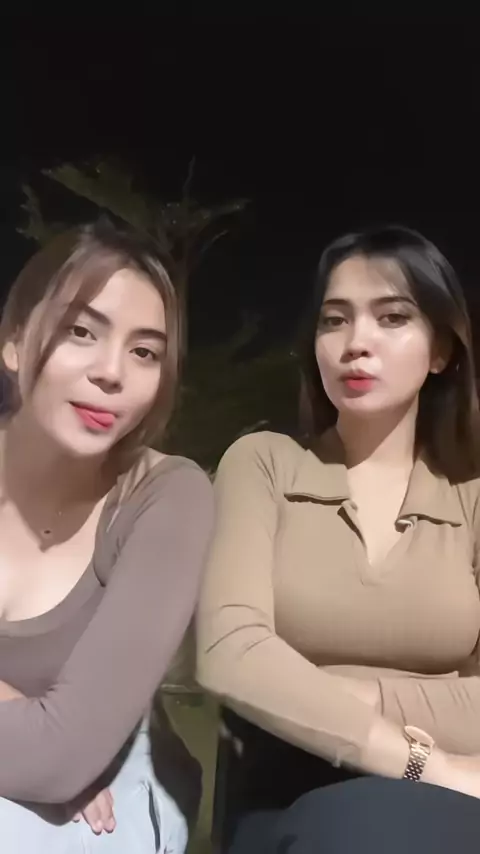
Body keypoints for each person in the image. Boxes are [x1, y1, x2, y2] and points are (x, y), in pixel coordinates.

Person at [197, 225, 480, 853]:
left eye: (393, 317)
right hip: (295, 786)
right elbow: (230, 653)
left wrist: (338, 692)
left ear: (441, 351)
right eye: (335, 320)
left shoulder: (472, 497)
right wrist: (428, 763)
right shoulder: (262, 464)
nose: (357, 343)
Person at [0, 219, 214, 853]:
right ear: (14, 341)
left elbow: (60, 758)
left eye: (145, 352)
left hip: (104, 795)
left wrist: (48, 751)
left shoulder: (165, 496)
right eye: (81, 331)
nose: (112, 372)